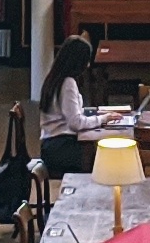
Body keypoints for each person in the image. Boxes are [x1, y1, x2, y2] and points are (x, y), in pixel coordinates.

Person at [37, 33, 105, 178]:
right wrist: (102, 119)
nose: (87, 65)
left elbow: (69, 113)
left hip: (51, 144)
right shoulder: (68, 83)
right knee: (102, 158)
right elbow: (75, 123)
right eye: (86, 61)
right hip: (60, 148)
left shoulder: (54, 78)